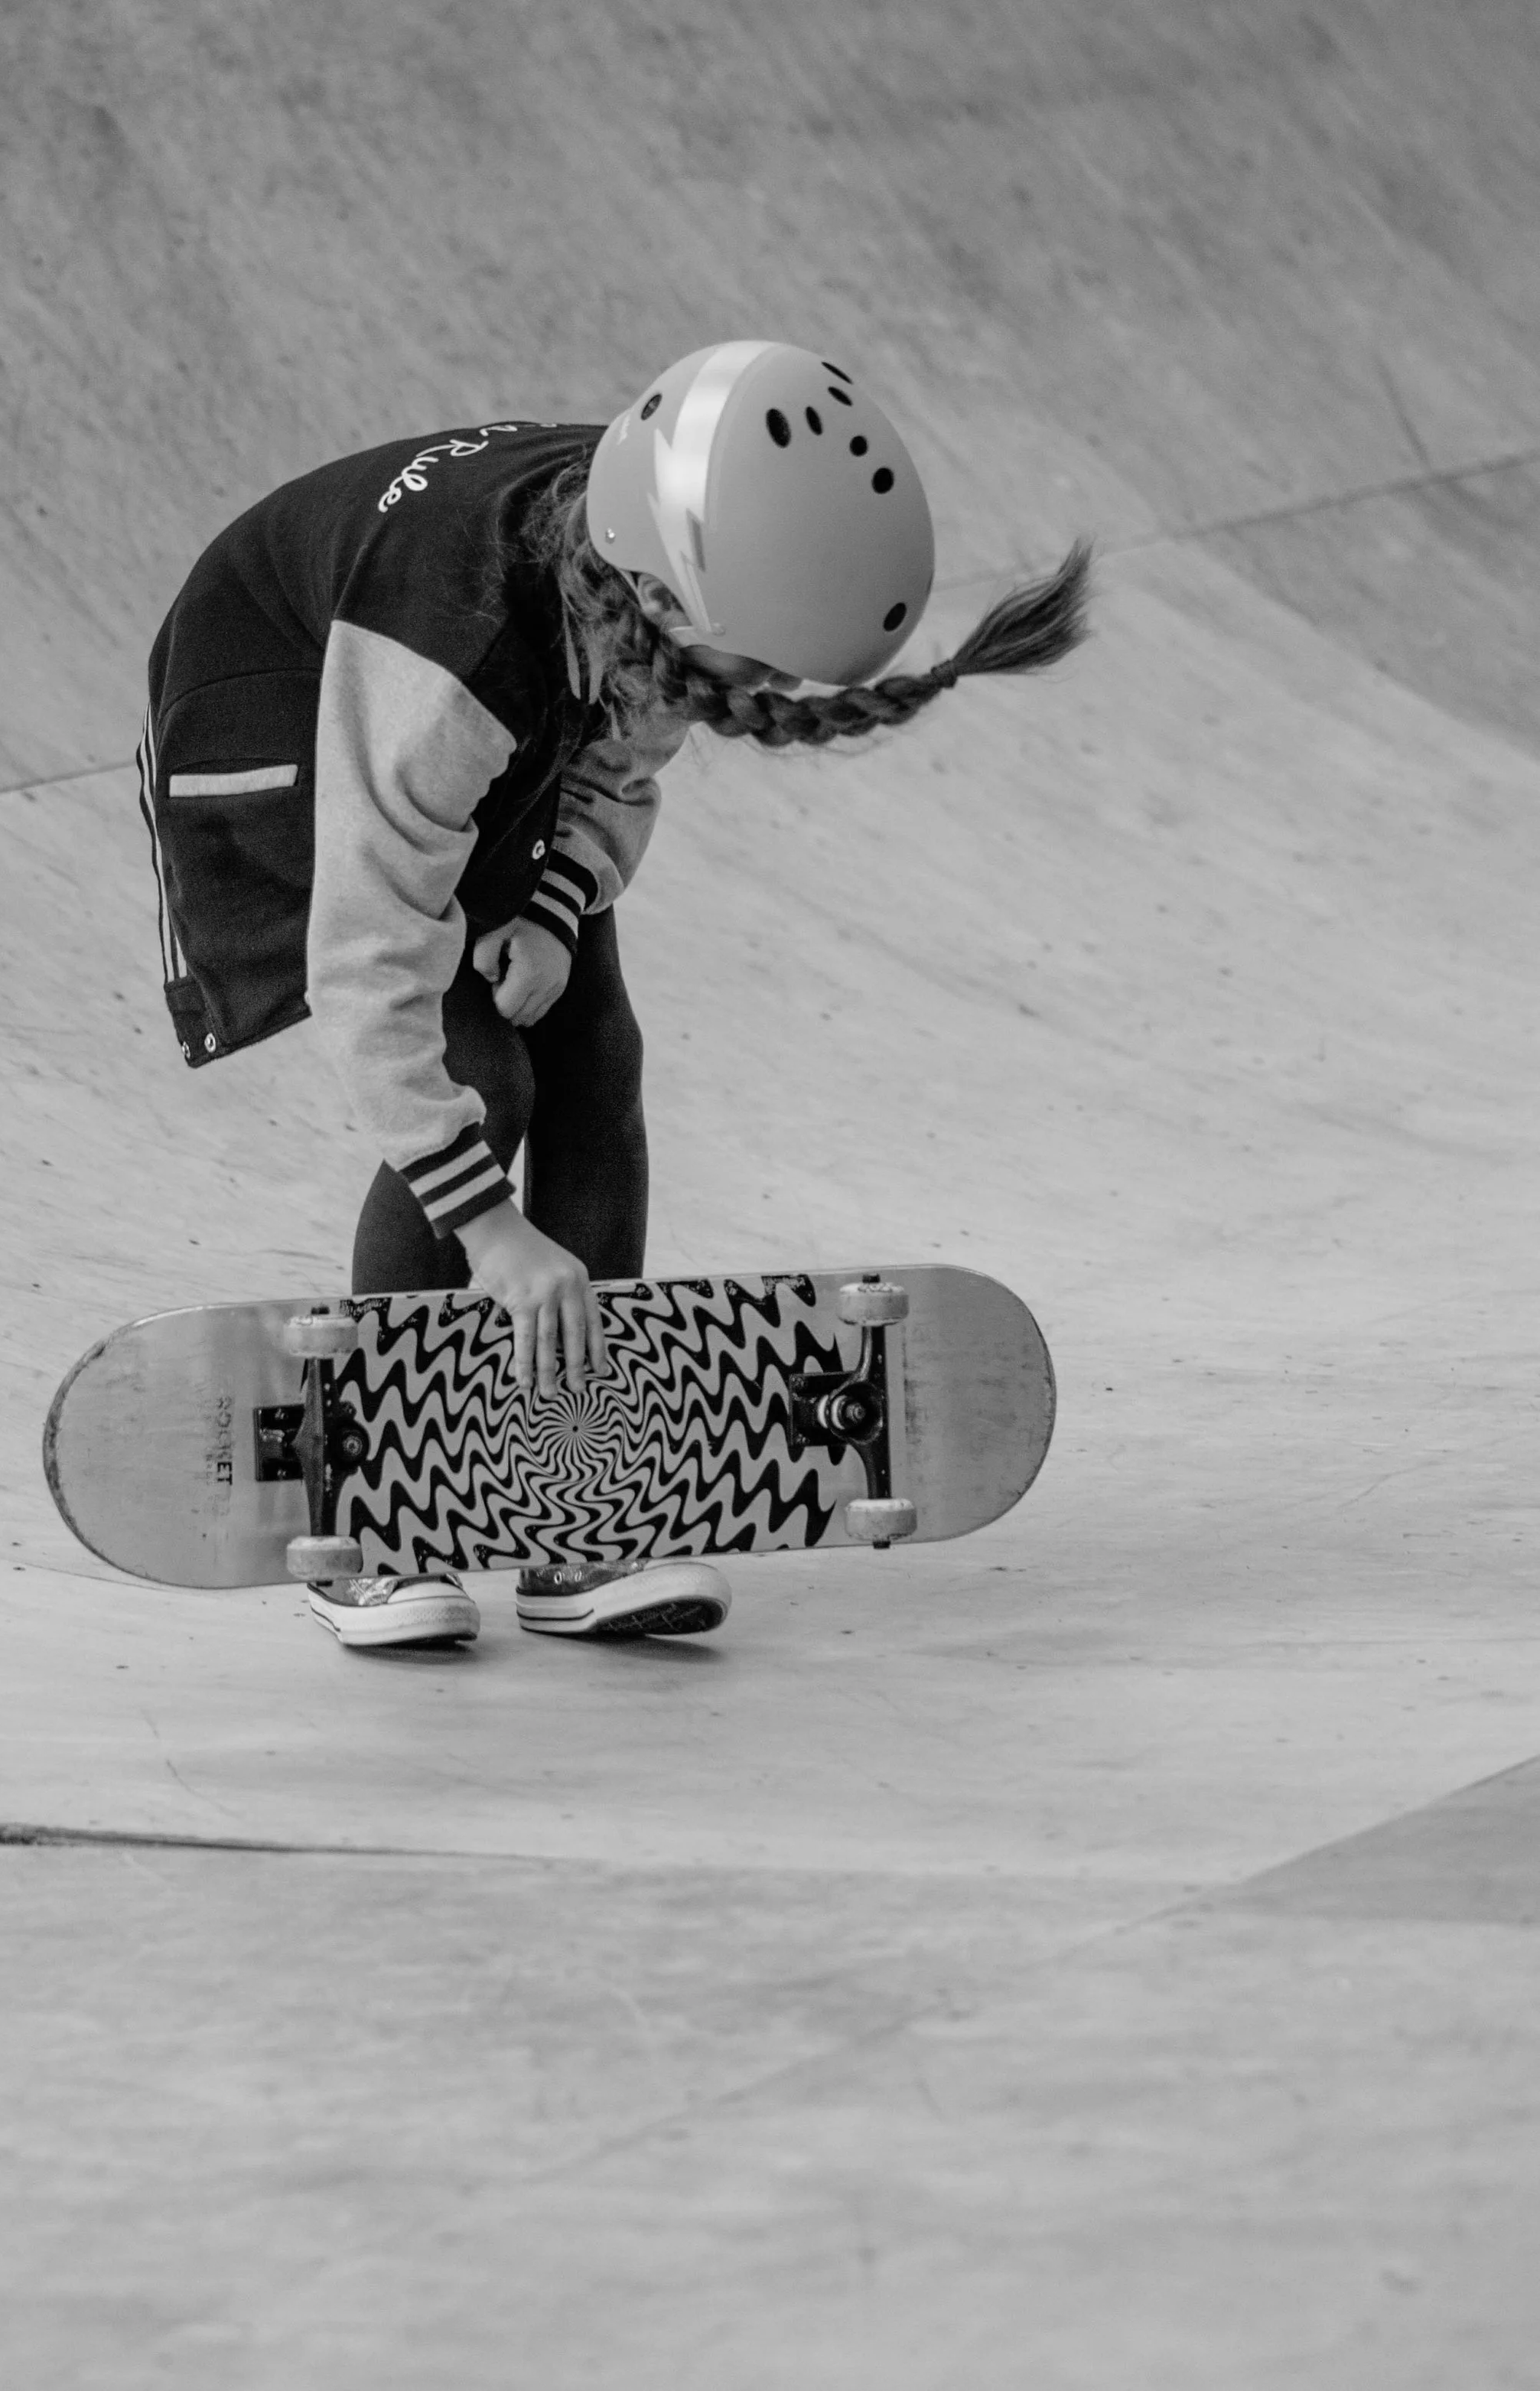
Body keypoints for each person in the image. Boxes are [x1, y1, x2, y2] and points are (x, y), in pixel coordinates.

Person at [138, 340, 1089, 1650]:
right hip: (287, 725)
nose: (743, 695)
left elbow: (617, 769)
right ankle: (369, 1516)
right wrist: (490, 1232)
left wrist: (549, 906)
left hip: (500, 732)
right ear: (649, 593)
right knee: (489, 1077)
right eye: (743, 670)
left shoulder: (673, 572)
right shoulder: (450, 659)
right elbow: (366, 955)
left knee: (598, 1055)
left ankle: (582, 1507)